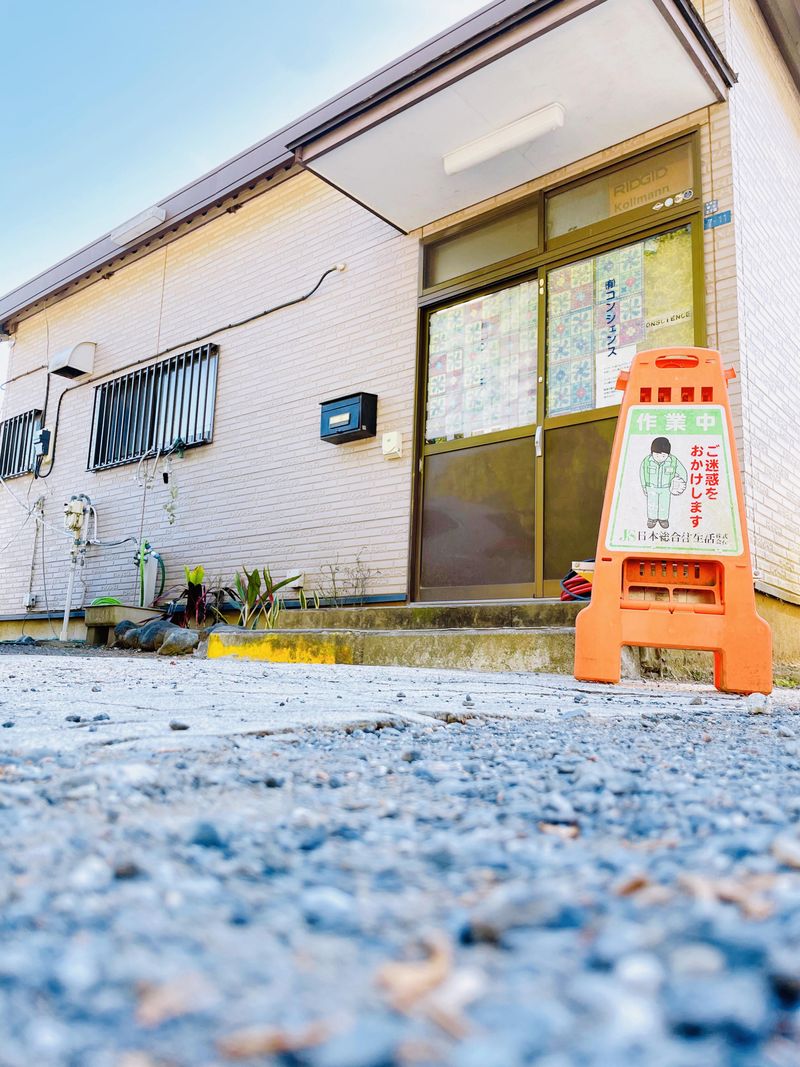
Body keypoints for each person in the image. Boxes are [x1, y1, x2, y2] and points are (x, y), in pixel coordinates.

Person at [640, 436, 687, 529]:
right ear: (652, 452)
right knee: (651, 503)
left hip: (666, 488)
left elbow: (683, 472)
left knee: (664, 504)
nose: (660, 458)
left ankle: (663, 519)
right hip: (651, 487)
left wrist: (681, 483)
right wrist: (644, 486)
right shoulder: (647, 461)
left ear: (668, 454)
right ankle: (652, 519)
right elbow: (642, 473)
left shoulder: (673, 461)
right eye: (657, 455)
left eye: (663, 456)